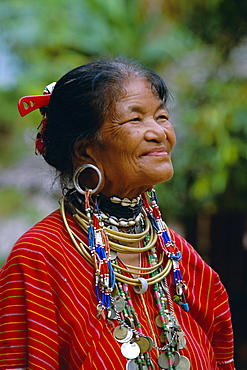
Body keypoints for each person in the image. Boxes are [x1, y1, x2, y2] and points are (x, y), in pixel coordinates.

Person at [0, 57, 235, 370]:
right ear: (86, 150)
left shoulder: (180, 259)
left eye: (161, 116)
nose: (158, 132)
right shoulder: (41, 258)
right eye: (135, 120)